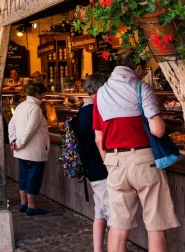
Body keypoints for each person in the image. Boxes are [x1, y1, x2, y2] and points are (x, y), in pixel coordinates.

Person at [93, 49, 179, 252]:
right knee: (155, 224)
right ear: (137, 68)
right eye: (143, 70)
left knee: (118, 225)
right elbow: (157, 130)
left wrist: (110, 161)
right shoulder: (141, 88)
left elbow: (99, 138)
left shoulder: (100, 94)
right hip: (143, 159)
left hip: (114, 161)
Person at [74, 73, 109, 252]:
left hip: (91, 167)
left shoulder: (83, 110)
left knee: (99, 213)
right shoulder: (95, 110)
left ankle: (97, 249)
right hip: (101, 168)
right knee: (113, 216)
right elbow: (101, 141)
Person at [8, 82, 50, 216]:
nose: (43, 97)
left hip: (21, 151)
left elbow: (11, 124)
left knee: (23, 177)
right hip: (34, 150)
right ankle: (31, 206)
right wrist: (20, 143)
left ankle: (23, 203)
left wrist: (13, 141)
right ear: (37, 94)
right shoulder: (35, 108)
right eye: (42, 94)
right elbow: (30, 130)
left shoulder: (20, 106)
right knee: (33, 177)